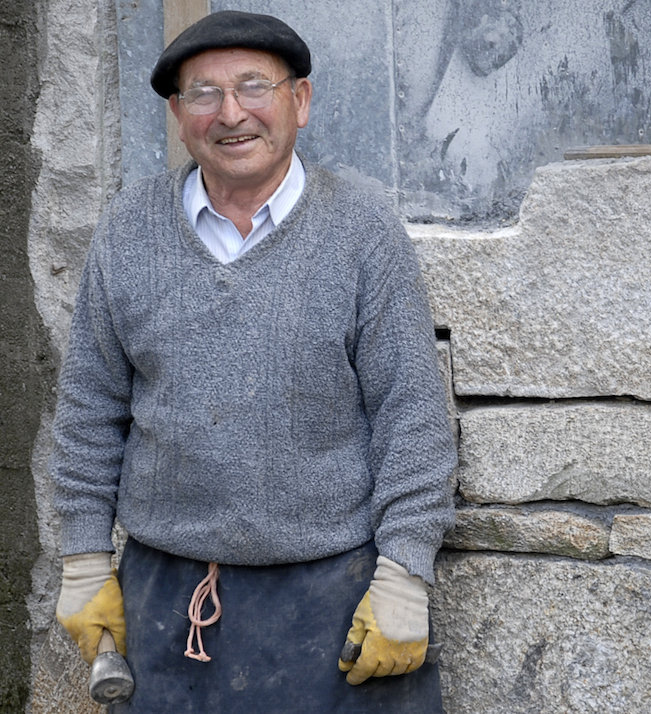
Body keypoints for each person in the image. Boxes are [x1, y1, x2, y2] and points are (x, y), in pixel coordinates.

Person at [50, 10, 456, 712]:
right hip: (165, 603)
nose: (231, 113)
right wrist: (85, 559)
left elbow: (412, 417)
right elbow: (89, 409)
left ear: (299, 100)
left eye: (253, 87)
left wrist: (405, 575)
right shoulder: (129, 229)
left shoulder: (361, 230)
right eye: (203, 94)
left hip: (335, 599)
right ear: (178, 115)